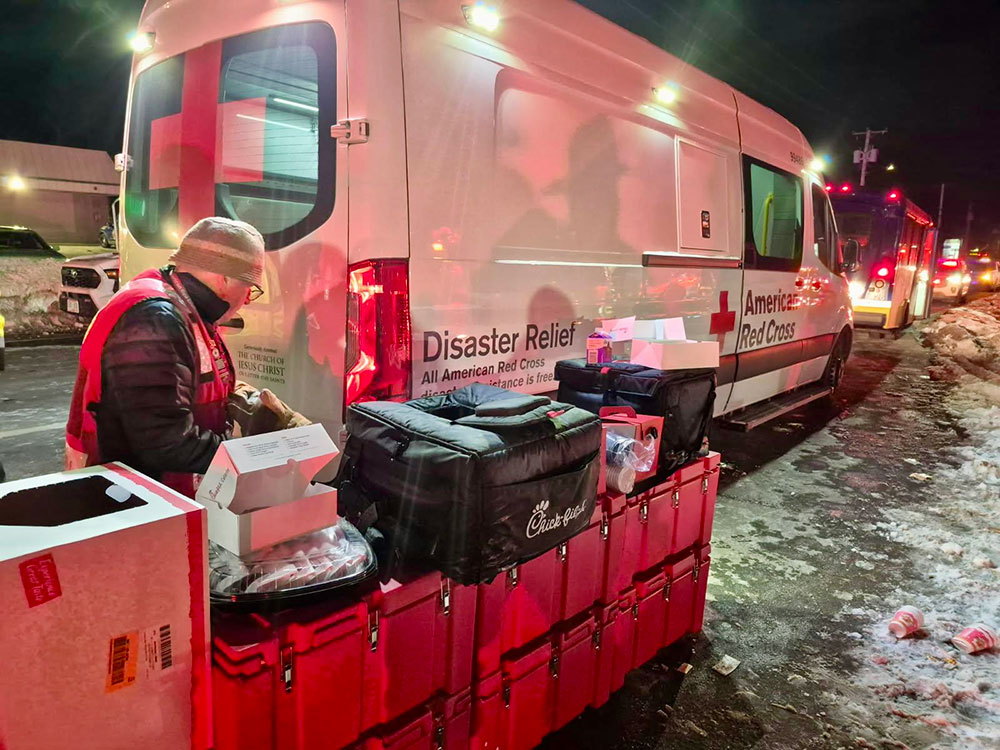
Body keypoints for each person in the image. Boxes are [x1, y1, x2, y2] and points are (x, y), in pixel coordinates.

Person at [66, 217, 270, 497]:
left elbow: (175, 388)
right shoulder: (156, 319)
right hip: (132, 500)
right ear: (225, 277)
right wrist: (246, 451)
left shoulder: (177, 307)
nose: (247, 299)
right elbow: (163, 442)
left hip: (146, 493)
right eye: (250, 288)